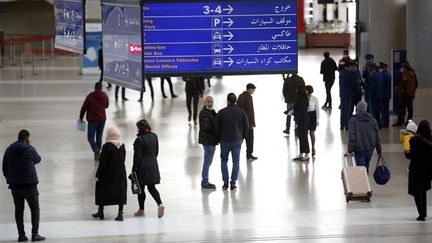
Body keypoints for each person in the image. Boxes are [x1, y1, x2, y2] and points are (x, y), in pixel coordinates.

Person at [2, 130, 46, 242]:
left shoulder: (9, 149)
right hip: (30, 186)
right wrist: (30, 145)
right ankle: (35, 234)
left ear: (18, 137)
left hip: (15, 187)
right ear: (27, 138)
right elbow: (38, 159)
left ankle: (21, 235)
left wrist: (10, 179)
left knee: (19, 210)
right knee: (35, 209)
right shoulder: (30, 149)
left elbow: (4, 168)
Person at [92, 127, 127, 221]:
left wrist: (98, 174)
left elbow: (103, 162)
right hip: (120, 172)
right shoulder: (122, 145)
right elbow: (123, 159)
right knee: (120, 191)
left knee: (101, 187)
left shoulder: (107, 146)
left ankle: (100, 211)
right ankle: (120, 213)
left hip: (108, 172)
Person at [215, 93, 249, 190]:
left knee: (224, 161)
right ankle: (233, 183)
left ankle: (225, 183)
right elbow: (246, 126)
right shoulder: (241, 112)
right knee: (236, 162)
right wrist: (242, 137)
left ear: (227, 100)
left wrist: (219, 138)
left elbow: (216, 127)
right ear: (236, 100)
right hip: (237, 140)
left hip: (224, 141)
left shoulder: (221, 112)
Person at [132, 119, 164, 218]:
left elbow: (137, 157)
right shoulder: (154, 136)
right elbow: (156, 152)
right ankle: (160, 204)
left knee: (141, 189)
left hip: (142, 167)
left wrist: (134, 169)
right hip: (153, 165)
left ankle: (141, 210)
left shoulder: (139, 140)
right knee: (152, 187)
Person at [405, 120, 432, 221]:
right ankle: (424, 211)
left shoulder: (413, 141)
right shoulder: (430, 141)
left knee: (417, 192)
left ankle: (421, 213)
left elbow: (410, 155)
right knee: (423, 191)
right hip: (427, 170)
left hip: (416, 169)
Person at [347, 101, 382, 173]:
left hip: (359, 149)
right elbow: (377, 136)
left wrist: (350, 150)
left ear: (357, 109)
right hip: (370, 148)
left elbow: (352, 137)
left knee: (360, 169)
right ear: (366, 109)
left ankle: (362, 183)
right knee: (366, 166)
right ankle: (366, 182)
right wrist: (379, 149)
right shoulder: (372, 120)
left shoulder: (353, 121)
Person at [79, 82, 109, 161]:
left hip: (92, 120)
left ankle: (96, 149)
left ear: (95, 88)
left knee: (90, 137)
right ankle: (98, 152)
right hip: (102, 120)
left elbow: (84, 108)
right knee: (99, 136)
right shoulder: (104, 96)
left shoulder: (90, 96)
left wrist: (81, 118)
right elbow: (106, 106)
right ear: (101, 88)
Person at [198, 96, 218, 189]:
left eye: (212, 102)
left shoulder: (211, 112)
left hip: (211, 140)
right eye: (208, 102)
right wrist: (214, 121)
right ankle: (205, 181)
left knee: (208, 161)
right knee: (207, 161)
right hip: (208, 141)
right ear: (204, 103)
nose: (210, 103)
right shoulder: (203, 113)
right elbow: (206, 127)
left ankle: (205, 180)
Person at [236, 83, 258, 161]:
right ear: (249, 89)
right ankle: (249, 154)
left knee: (240, 140)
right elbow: (249, 112)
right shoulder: (247, 98)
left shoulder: (242, 96)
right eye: (253, 89)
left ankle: (239, 154)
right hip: (247, 123)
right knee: (249, 139)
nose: (254, 90)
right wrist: (251, 123)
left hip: (243, 123)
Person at [293, 85, 310, 161]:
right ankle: (301, 153)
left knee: (303, 137)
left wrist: (297, 122)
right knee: (301, 137)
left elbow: (300, 112)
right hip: (304, 119)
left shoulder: (300, 99)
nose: (296, 91)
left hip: (302, 120)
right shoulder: (304, 98)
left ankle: (306, 154)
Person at [364, 63, 384, 128]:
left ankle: (374, 125)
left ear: (371, 68)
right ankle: (379, 124)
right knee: (378, 111)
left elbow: (372, 87)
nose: (367, 69)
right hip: (379, 95)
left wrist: (370, 93)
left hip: (373, 96)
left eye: (368, 68)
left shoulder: (372, 76)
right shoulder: (379, 75)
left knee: (374, 111)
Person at [339, 61, 357, 130]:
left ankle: (342, 125)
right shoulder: (349, 74)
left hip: (343, 94)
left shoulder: (342, 73)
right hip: (348, 94)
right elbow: (352, 85)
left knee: (343, 110)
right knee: (347, 111)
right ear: (349, 66)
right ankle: (346, 125)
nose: (353, 67)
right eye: (352, 66)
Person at [306, 85, 320, 156]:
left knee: (312, 133)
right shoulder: (303, 98)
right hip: (305, 116)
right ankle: (306, 149)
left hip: (312, 116)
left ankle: (313, 147)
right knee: (305, 134)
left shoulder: (314, 99)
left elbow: (317, 110)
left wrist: (317, 120)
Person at [380, 62, 392, 128]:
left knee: (383, 110)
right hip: (387, 94)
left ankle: (384, 123)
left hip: (383, 94)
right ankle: (386, 123)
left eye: (382, 67)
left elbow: (381, 85)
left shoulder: (383, 75)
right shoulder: (389, 74)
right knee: (386, 109)